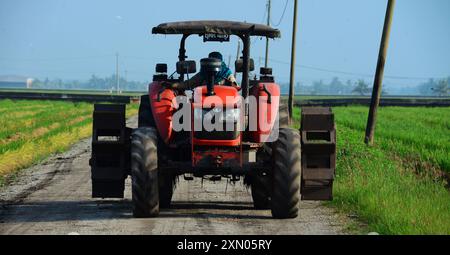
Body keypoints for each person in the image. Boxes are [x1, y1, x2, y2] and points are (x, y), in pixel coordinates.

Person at [170, 51, 240, 90]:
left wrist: (233, 85)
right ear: (207, 62)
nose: (213, 65)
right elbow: (188, 84)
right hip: (202, 106)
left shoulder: (227, 74)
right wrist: (172, 85)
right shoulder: (203, 74)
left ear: (221, 63)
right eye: (211, 61)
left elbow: (235, 87)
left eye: (216, 62)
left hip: (225, 106)